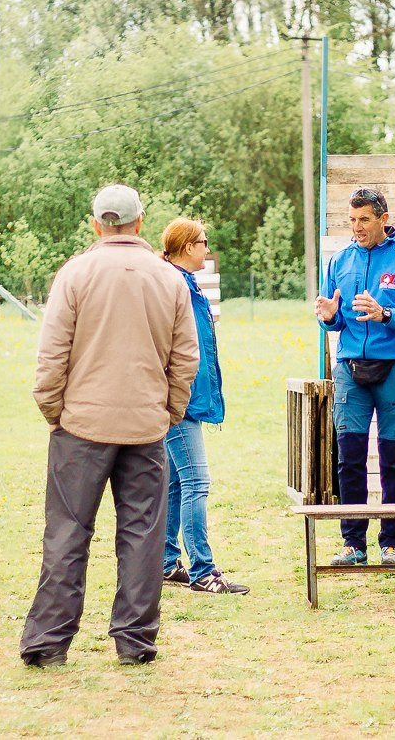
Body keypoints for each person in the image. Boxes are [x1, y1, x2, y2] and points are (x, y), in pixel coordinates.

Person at [20, 185, 199, 667]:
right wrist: (168, 412)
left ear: (96, 223)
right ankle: (135, 641)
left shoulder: (75, 273)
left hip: (81, 424)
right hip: (146, 426)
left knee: (67, 532)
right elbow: (186, 358)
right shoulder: (168, 278)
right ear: (140, 222)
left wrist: (54, 411)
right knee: (143, 534)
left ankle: (47, 642)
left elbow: (51, 355)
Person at [315, 188, 395, 567]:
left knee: (392, 456)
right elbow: (332, 318)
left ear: (383, 218)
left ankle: (393, 544)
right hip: (350, 368)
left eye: (364, 219)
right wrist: (329, 316)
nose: (357, 227)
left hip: (394, 367)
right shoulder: (339, 261)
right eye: (352, 220)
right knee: (349, 457)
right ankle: (353, 543)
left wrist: (386, 314)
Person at [158, 218, 248, 595]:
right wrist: (177, 396)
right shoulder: (172, 285)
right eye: (203, 243)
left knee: (177, 482)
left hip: (186, 397)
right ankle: (203, 570)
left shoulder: (185, 282)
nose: (208, 250)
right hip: (178, 401)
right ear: (187, 247)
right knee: (196, 480)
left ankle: (165, 562)